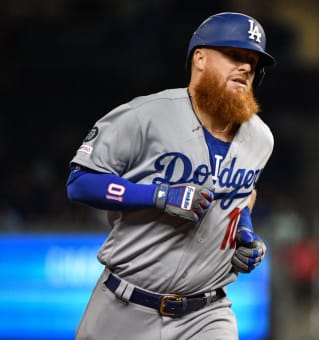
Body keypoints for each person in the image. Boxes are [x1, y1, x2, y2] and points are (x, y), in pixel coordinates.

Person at [66, 12, 276, 340]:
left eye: (253, 62)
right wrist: (157, 195)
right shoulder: (145, 115)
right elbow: (80, 182)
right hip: (124, 304)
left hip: (208, 313)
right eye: (235, 55)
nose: (247, 67)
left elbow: (244, 194)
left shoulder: (261, 138)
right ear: (201, 59)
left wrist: (245, 232)